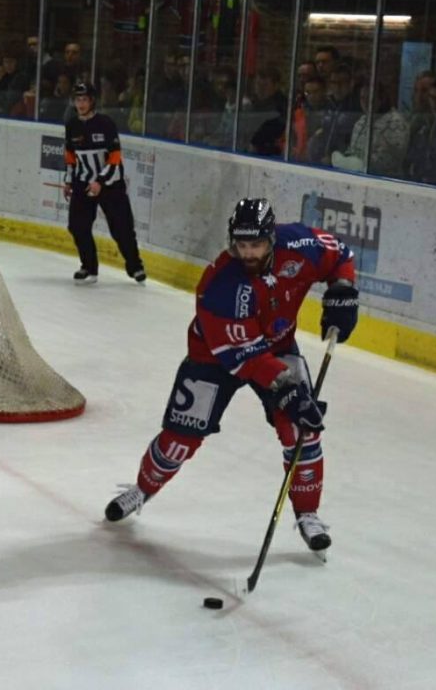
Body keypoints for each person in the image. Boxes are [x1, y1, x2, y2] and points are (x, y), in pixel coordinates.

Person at [104, 199, 358, 558]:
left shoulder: (301, 245)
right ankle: (143, 489)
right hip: (215, 357)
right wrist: (286, 389)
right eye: (241, 245)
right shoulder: (221, 285)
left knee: (301, 429)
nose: (248, 252)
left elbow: (340, 254)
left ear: (271, 238)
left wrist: (343, 290)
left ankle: (308, 515)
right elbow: (242, 357)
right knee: (181, 438)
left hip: (276, 345)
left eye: (255, 245)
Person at [63, 82, 145, 285]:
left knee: (122, 228)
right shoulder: (71, 125)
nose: (80, 104)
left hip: (111, 184)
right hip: (83, 183)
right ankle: (89, 267)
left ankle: (135, 266)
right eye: (77, 100)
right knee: (77, 226)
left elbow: (115, 157)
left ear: (92, 101)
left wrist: (100, 181)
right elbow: (71, 157)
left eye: (84, 99)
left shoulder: (106, 124)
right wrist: (68, 181)